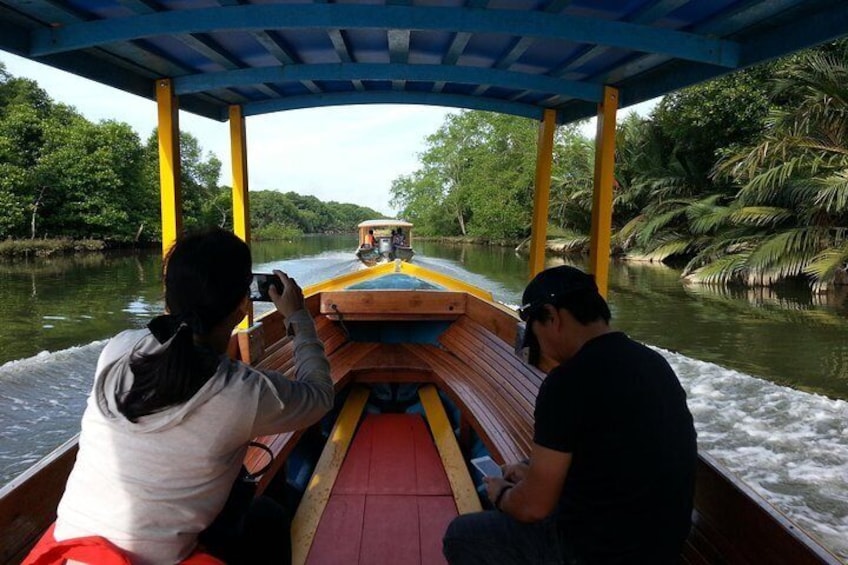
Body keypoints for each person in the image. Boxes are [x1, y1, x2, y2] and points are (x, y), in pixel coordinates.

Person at [25, 227, 334, 565]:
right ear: (244, 304)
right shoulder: (243, 392)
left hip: (70, 550)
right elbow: (320, 396)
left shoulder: (119, 347)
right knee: (268, 517)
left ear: (167, 296)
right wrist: (298, 318)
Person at [443, 265, 697, 565]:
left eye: (536, 331)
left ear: (553, 316)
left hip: (594, 553)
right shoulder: (654, 364)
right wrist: (532, 472)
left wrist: (501, 495)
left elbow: (532, 508)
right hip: (661, 549)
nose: (541, 348)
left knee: (461, 535)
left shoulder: (567, 383)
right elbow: (611, 457)